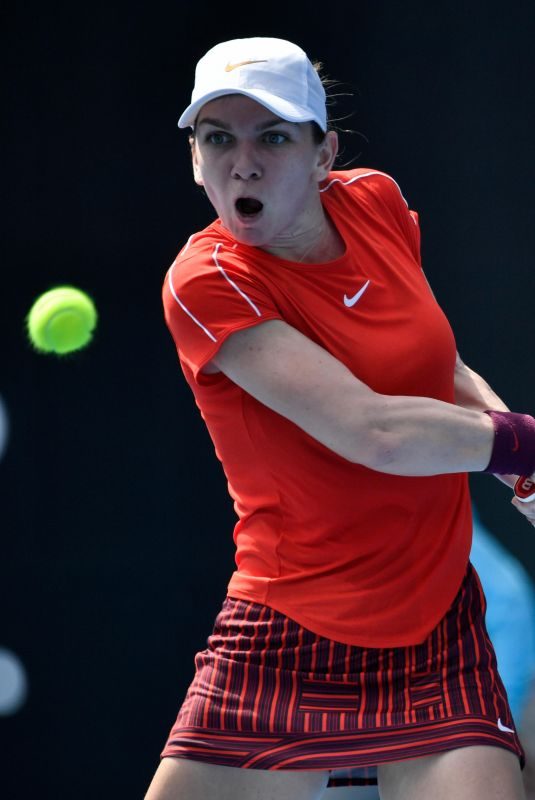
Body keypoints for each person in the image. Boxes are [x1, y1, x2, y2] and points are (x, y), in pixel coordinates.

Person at [146, 37, 535, 800]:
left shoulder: (376, 204)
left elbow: (438, 371)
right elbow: (373, 432)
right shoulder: (205, 281)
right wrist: (521, 441)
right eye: (217, 139)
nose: (243, 163)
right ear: (195, 160)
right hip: (289, 626)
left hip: (435, 627)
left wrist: (522, 472)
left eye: (273, 137)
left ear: (323, 154)